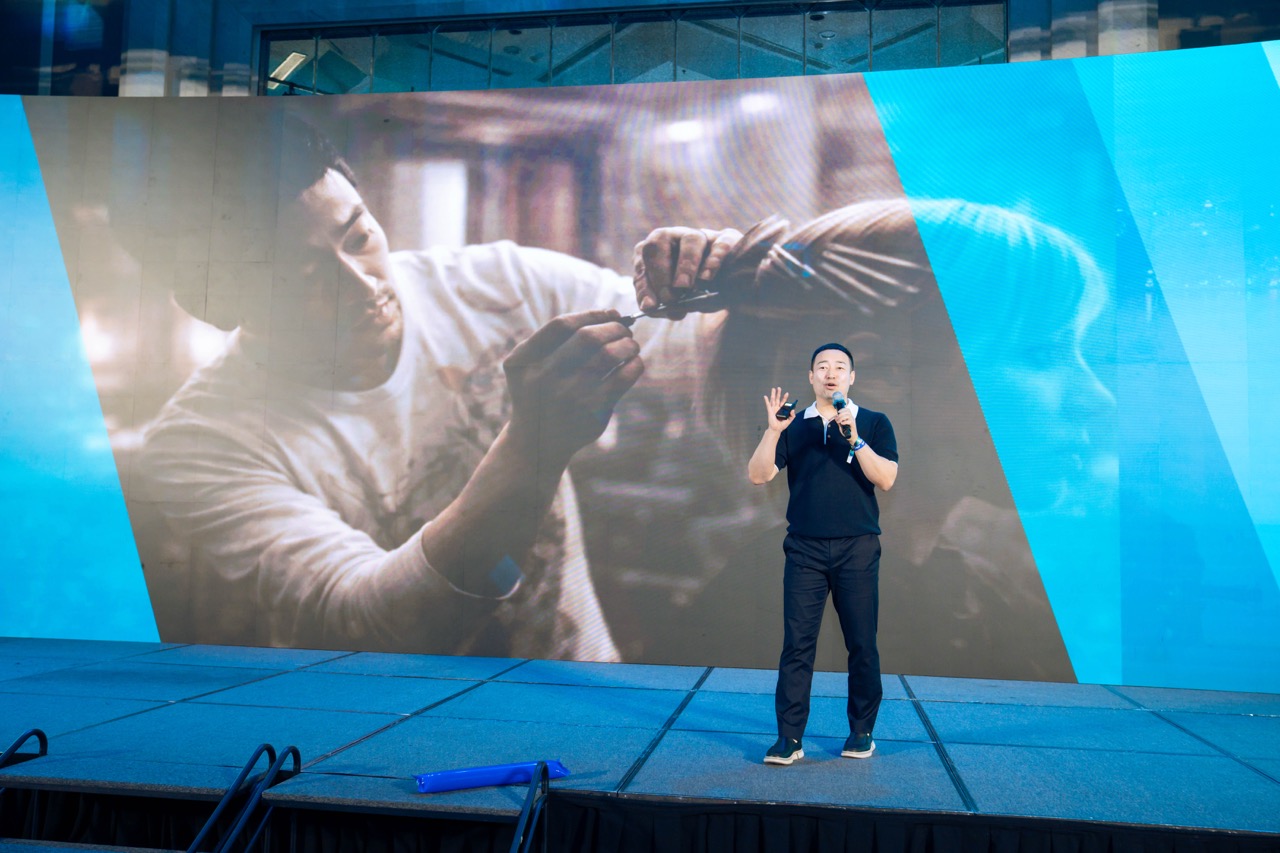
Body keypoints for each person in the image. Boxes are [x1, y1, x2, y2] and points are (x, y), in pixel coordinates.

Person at [140, 116, 741, 658]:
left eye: (359, 238)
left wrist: (724, 270)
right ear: (220, 303)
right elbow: (371, 623)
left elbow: (699, 344)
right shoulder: (203, 442)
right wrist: (532, 446)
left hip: (586, 696)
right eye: (302, 276)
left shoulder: (499, 286)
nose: (362, 286)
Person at [748, 342, 898, 765]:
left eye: (839, 367)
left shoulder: (874, 422)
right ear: (811, 376)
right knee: (797, 645)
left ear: (852, 377)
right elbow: (758, 475)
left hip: (857, 548)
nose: (831, 374)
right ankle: (789, 739)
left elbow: (886, 479)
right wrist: (773, 431)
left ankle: (861, 731)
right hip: (805, 550)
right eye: (822, 367)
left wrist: (856, 439)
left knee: (862, 644)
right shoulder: (793, 425)